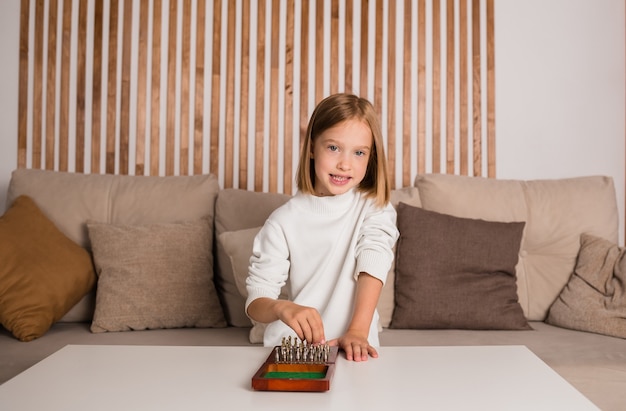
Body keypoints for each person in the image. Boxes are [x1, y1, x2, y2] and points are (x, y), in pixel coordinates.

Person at [245, 93, 399, 362]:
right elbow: (256, 301)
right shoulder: (283, 221)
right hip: (295, 352)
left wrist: (358, 331)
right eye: (333, 148)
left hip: (357, 349)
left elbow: (374, 259)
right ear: (312, 148)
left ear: (370, 158)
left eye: (359, 152)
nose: (345, 163)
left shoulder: (375, 207)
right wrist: (282, 308)